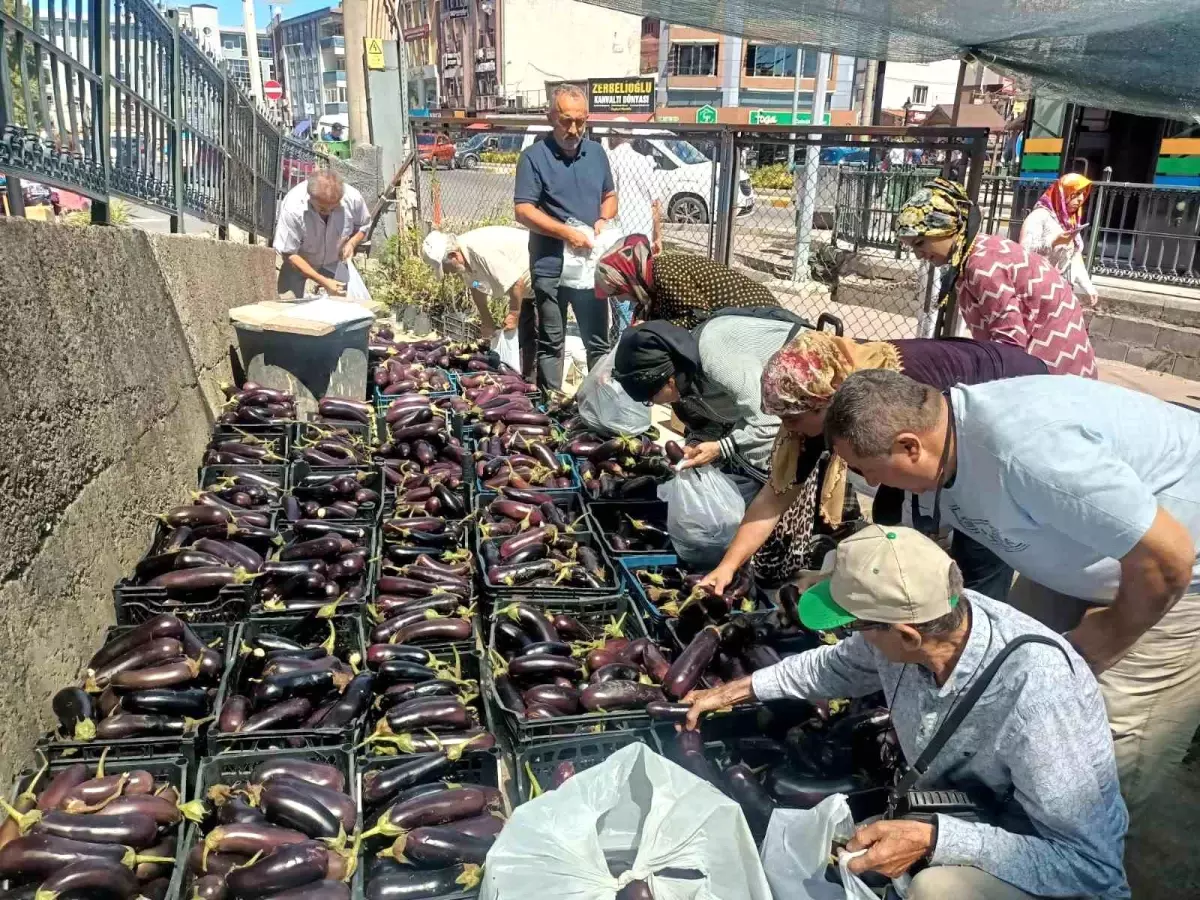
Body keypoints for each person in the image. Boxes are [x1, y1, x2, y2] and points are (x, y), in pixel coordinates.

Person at [822, 369, 1200, 847]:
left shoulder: (1030, 456)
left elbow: (1168, 559)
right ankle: (1015, 841)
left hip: (1174, 577)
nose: (868, 482)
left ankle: (1087, 864)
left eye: (865, 469)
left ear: (909, 446)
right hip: (1089, 557)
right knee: (1001, 674)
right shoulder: (942, 452)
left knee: (1102, 745)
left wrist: (1108, 635)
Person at [684, 525, 1130, 900]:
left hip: (1049, 862)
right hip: (972, 810)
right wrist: (736, 692)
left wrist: (936, 839)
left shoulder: (1038, 698)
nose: (848, 638)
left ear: (907, 636)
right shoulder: (935, 616)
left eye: (855, 627)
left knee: (936, 889)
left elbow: (1089, 866)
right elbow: (833, 666)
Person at [700, 331, 1047, 594]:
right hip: (934, 426)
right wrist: (727, 567)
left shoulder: (894, 398)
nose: (786, 428)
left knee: (980, 538)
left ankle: (971, 640)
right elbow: (777, 495)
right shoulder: (819, 406)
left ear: (825, 405)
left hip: (1009, 396)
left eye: (792, 419)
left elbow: (927, 471)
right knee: (892, 518)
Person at [895, 177, 1097, 378]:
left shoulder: (983, 266)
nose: (918, 254)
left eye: (920, 243)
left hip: (1054, 360)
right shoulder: (974, 255)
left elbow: (1009, 345)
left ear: (947, 228)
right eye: (912, 247)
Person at [611, 313, 799, 499]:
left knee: (758, 462)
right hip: (778, 401)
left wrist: (721, 448)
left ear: (669, 382)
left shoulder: (715, 359)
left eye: (650, 399)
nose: (652, 405)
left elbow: (768, 422)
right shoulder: (686, 378)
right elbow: (719, 422)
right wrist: (696, 444)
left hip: (804, 381)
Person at [514, 84, 615, 390]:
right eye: (566, 121)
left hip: (589, 267)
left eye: (580, 121)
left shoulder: (596, 154)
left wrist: (602, 218)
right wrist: (566, 233)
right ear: (550, 117)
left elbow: (609, 195)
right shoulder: (534, 157)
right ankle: (551, 408)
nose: (573, 129)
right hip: (550, 267)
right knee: (551, 341)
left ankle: (598, 405)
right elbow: (523, 210)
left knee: (597, 342)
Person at [421, 227, 537, 378]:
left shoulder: (481, 251)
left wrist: (514, 313)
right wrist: (486, 318)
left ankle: (541, 390)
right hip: (524, 291)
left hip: (540, 277)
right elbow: (476, 286)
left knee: (537, 340)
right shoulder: (465, 264)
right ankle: (526, 382)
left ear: (453, 256)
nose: (448, 273)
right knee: (522, 342)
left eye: (446, 268)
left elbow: (516, 282)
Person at [594, 234, 780, 329]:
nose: (620, 300)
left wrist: (653, 328)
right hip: (735, 323)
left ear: (629, 279)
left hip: (757, 316)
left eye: (618, 292)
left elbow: (699, 317)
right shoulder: (652, 285)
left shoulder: (664, 274)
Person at [273, 170, 370, 298]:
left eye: (334, 208)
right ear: (310, 197)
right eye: (322, 209)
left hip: (335, 263)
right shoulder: (293, 207)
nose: (328, 212)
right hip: (299, 262)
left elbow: (364, 226)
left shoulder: (353, 199)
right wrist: (324, 282)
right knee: (287, 305)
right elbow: (288, 254)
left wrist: (352, 243)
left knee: (349, 305)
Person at [605, 122, 663, 334]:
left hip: (616, 234)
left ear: (612, 137)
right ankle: (631, 333)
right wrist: (658, 237)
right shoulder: (643, 162)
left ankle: (621, 338)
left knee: (618, 288)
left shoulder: (608, 160)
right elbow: (655, 204)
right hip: (641, 235)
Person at [1019, 173, 1099, 307]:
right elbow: (1024, 251)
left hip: (1061, 291)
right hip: (1037, 290)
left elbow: (1074, 257)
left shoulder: (1070, 221)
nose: (1080, 199)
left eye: (1083, 195)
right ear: (1063, 192)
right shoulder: (1040, 216)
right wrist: (1054, 242)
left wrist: (1088, 287)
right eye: (1076, 193)